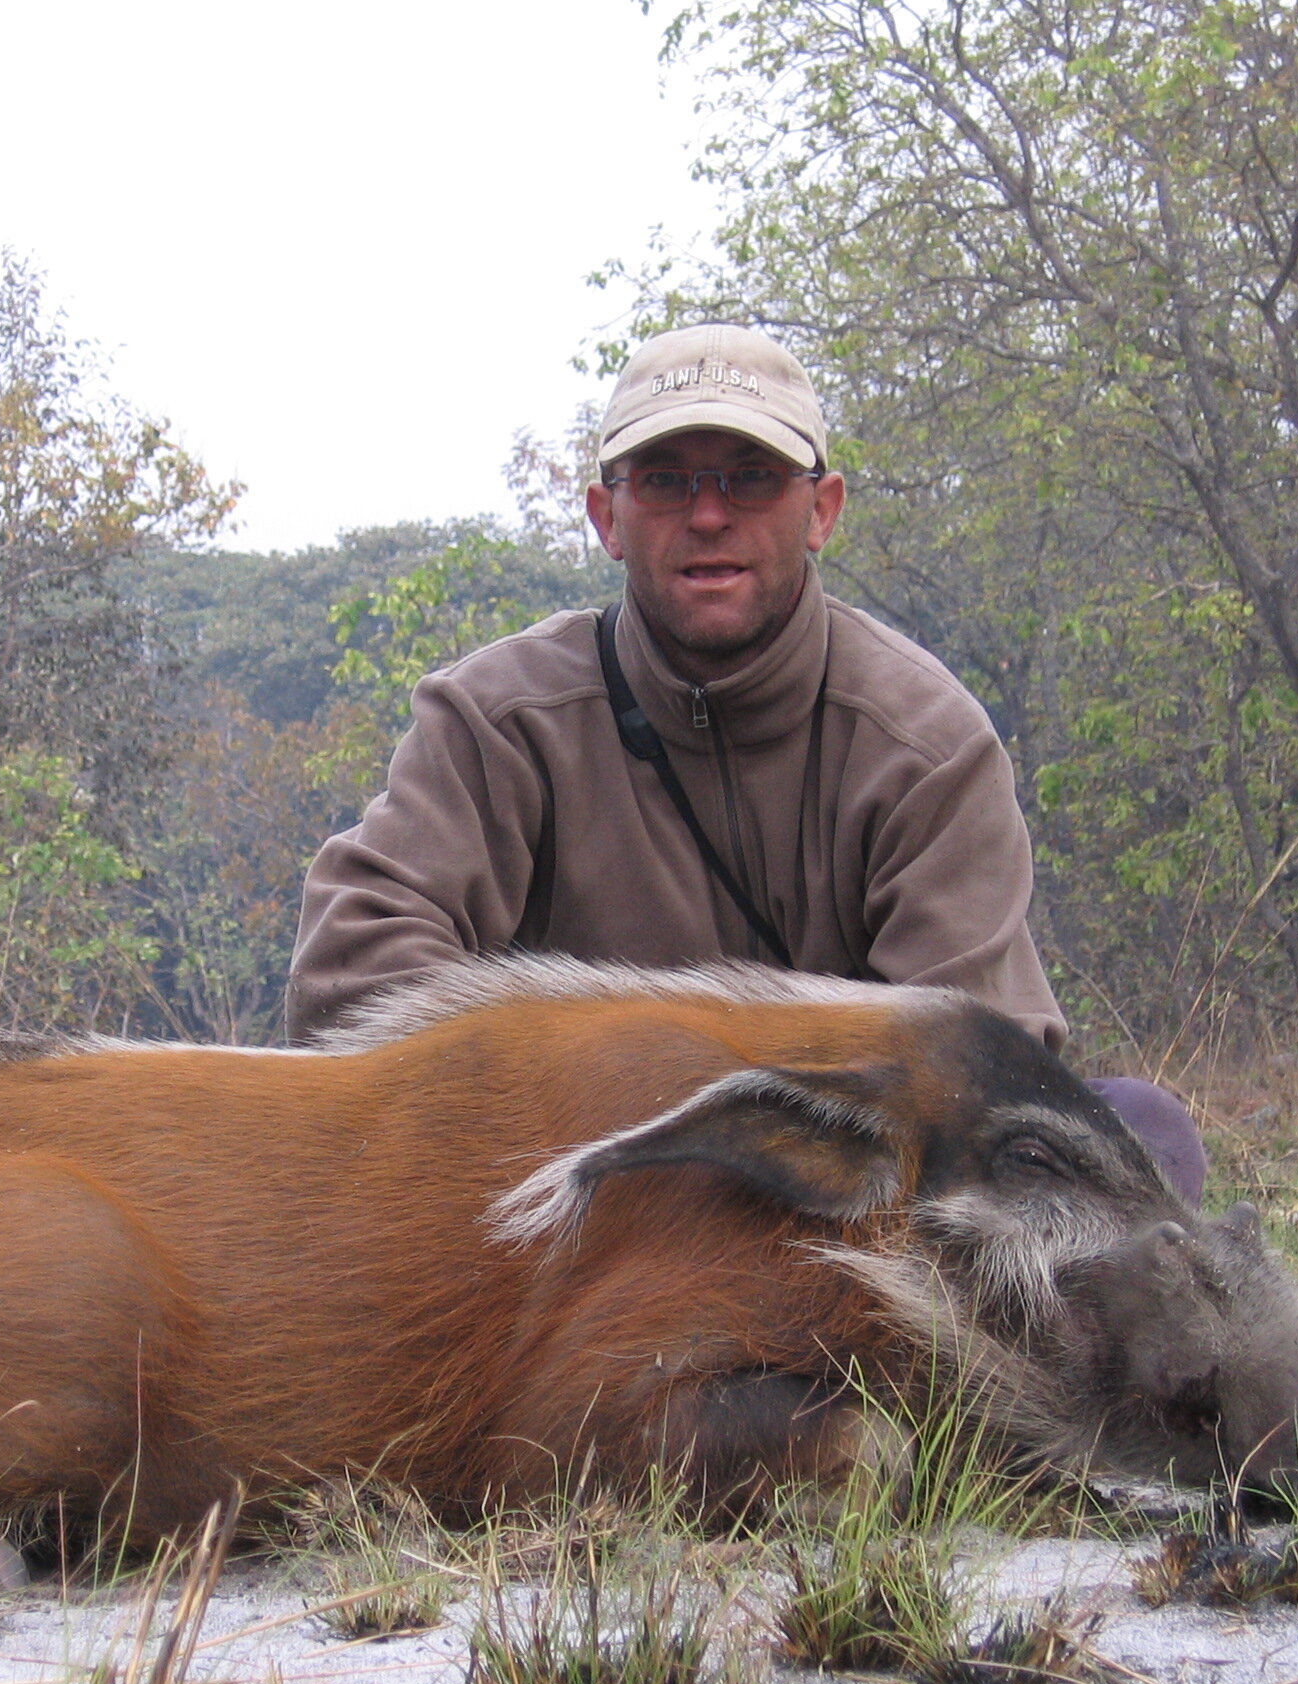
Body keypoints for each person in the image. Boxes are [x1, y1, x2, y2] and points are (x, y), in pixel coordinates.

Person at [285, 322, 1205, 1203]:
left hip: (831, 1206)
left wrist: (754, 1137)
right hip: (566, 1191)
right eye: (667, 480)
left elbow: (979, 1071)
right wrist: (626, 1109)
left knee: (1136, 1133)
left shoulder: (928, 746)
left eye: (752, 479)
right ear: (608, 516)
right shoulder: (499, 720)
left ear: (822, 510)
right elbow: (351, 977)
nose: (711, 514)